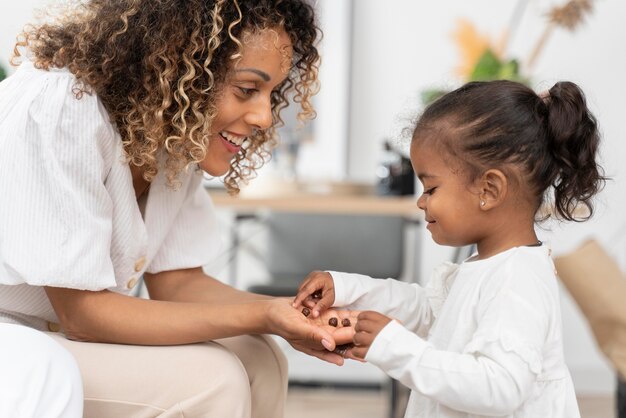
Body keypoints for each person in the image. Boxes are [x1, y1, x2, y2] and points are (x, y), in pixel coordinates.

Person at [0, 1, 355, 417]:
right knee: (212, 381)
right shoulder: (62, 107)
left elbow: (180, 284)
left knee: (258, 358)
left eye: (272, 93)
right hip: (17, 342)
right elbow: (82, 314)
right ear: (182, 66)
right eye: (246, 89)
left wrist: (293, 316)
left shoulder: (169, 134)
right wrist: (264, 314)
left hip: (59, 336)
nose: (263, 116)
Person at [294, 79, 607, 417]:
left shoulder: (517, 280)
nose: (421, 201)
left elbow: (500, 388)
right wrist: (346, 290)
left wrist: (396, 349)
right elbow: (429, 314)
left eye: (431, 188)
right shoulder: (486, 266)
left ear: (489, 188)